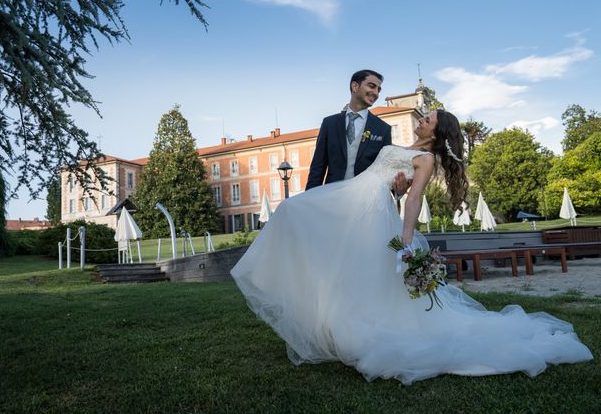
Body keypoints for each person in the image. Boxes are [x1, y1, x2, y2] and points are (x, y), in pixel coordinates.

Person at [231, 109, 592, 385]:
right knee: (296, 212)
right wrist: (397, 187)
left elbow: (415, 196)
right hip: (354, 196)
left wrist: (406, 239)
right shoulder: (406, 148)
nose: (422, 120)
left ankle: (354, 327)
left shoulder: (427, 159)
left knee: (343, 255)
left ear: (436, 130)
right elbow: (396, 183)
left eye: (428, 119)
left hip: (370, 211)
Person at [306, 69, 409, 195]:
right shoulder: (329, 124)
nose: (376, 93)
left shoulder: (383, 129)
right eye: (372, 86)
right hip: (332, 198)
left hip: (367, 200)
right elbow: (317, 168)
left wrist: (397, 192)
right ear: (355, 86)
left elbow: (384, 170)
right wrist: (309, 199)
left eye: (378, 89)